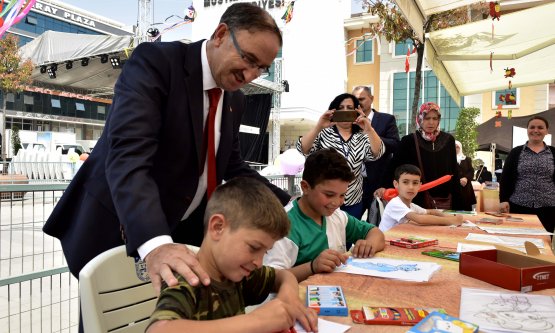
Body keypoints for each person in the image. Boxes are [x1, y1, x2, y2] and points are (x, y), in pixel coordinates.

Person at [42, 3, 291, 292]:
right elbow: (129, 156)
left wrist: (288, 204)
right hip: (122, 231)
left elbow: (233, 166)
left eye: (261, 68)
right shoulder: (156, 63)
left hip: (181, 235)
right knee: (112, 321)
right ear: (221, 34)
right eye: (248, 59)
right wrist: (156, 242)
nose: (250, 75)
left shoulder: (235, 100)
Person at [146, 177, 318, 333]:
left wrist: (287, 298)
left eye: (264, 252)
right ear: (218, 227)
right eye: (253, 247)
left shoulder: (240, 274)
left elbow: (284, 276)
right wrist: (255, 321)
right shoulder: (187, 281)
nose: (259, 262)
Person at [264, 148, 385, 282]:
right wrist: (312, 267)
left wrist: (369, 245)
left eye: (342, 195)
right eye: (329, 195)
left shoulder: (337, 216)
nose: (337, 202)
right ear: (305, 187)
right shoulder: (283, 226)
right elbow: (270, 280)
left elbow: (376, 233)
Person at [297, 93, 385, 219]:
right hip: (325, 198)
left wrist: (369, 129)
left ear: (357, 111)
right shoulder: (323, 133)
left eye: (350, 108)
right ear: (334, 111)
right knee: (326, 235)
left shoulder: (362, 135)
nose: (345, 111)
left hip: (352, 200)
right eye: (341, 107)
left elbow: (377, 153)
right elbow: (303, 149)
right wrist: (319, 126)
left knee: (349, 235)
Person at [376, 102, 461, 210]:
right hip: (416, 199)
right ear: (420, 119)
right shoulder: (409, 141)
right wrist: (384, 186)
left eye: (435, 118)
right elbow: (394, 165)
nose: (431, 122)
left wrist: (458, 200)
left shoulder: (448, 140)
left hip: (445, 199)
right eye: (427, 118)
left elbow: (454, 169)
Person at [499, 116, 555, 233]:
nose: (536, 130)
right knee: (519, 240)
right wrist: (503, 199)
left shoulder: (554, 152)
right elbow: (505, 178)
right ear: (527, 130)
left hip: (548, 207)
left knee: (544, 241)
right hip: (519, 205)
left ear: (546, 131)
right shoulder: (516, 152)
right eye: (532, 127)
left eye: (540, 127)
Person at [352, 86, 400, 221]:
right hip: (354, 185)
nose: (358, 102)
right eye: (355, 100)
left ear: (371, 99)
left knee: (377, 226)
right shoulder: (349, 123)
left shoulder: (386, 119)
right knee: (348, 227)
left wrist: (370, 133)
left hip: (379, 184)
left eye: (361, 98)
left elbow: (395, 145)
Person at [378, 164, 463, 232]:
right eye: (405, 182)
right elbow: (420, 219)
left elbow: (431, 212)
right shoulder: (395, 203)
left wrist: (449, 216)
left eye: (415, 183)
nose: (411, 187)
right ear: (396, 184)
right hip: (386, 241)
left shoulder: (411, 206)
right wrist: (451, 221)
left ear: (419, 186)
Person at [455, 140, 477, 211]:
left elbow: (471, 171)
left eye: (457, 147)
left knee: (467, 206)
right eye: (454, 147)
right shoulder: (450, 159)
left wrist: (466, 178)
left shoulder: (467, 159)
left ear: (460, 148)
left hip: (466, 186)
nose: (456, 149)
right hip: (455, 186)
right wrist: (458, 179)